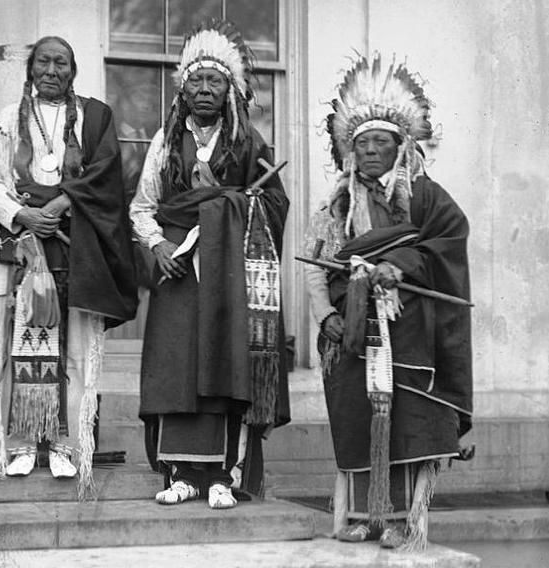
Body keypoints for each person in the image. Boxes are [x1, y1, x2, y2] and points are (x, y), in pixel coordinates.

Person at [303, 54, 473, 549]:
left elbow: (446, 241)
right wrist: (328, 315)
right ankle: (362, 515)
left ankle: (404, 521)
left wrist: (401, 266)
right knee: (359, 414)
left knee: (409, 419)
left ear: (402, 148)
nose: (372, 150)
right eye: (362, 143)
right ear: (349, 151)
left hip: (410, 327)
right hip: (354, 329)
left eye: (382, 142)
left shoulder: (425, 197)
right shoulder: (335, 205)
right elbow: (318, 265)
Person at [129, 20, 290, 510]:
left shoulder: (249, 144)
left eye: (214, 81)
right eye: (196, 80)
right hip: (176, 272)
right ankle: (180, 473)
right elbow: (141, 206)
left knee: (225, 366)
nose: (204, 89)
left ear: (229, 90)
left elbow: (274, 203)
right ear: (183, 86)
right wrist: (157, 246)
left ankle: (223, 474)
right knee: (175, 367)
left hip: (228, 273)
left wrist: (230, 207)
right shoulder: (165, 139)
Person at [0, 36, 138, 498]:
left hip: (74, 244)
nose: (52, 70)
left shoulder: (92, 118)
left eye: (61, 63)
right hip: (22, 246)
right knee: (21, 343)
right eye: (44, 61)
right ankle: (23, 442)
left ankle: (66, 445)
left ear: (73, 70)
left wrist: (65, 202)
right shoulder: (10, 119)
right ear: (31, 68)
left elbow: (106, 172)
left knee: (71, 346)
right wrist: (23, 215)